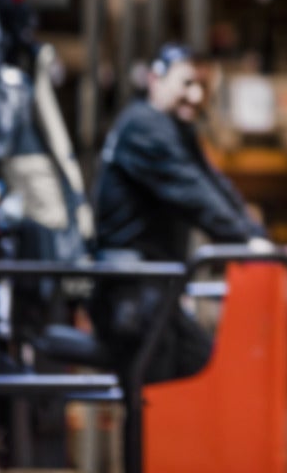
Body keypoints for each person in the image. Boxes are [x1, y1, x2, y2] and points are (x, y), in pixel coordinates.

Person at [90, 43, 270, 383]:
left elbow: (215, 187)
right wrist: (249, 242)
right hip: (130, 296)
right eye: (187, 83)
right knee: (186, 381)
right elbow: (194, 195)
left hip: (153, 291)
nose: (196, 94)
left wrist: (260, 242)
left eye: (204, 86)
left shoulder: (175, 131)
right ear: (156, 79)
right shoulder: (144, 127)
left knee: (208, 366)